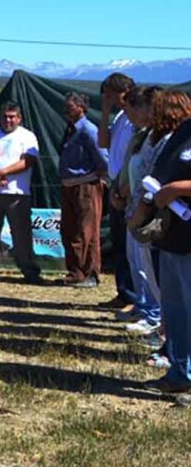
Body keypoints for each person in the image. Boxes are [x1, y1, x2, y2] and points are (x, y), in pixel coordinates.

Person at [140, 91, 191, 400]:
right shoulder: (183, 131)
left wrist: (174, 189)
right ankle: (179, 372)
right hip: (174, 235)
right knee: (176, 309)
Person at [0, 102, 42, 283]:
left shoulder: (27, 136)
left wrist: (3, 172)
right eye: (5, 116)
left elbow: (28, 160)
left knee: (21, 234)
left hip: (17, 193)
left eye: (12, 116)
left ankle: (29, 270)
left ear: (19, 118)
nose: (8, 120)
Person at [120, 86, 164, 339]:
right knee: (139, 264)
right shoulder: (143, 136)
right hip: (133, 207)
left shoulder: (160, 138)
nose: (129, 113)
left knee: (153, 272)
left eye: (133, 108)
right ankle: (148, 311)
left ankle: (156, 317)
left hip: (148, 212)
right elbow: (131, 167)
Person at [100, 73, 141, 310]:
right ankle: (124, 291)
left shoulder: (134, 119)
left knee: (133, 247)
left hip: (127, 186)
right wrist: (105, 112)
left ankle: (136, 297)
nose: (108, 99)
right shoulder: (118, 117)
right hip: (115, 182)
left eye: (109, 95)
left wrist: (123, 187)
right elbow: (103, 142)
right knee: (120, 244)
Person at [59, 92, 108, 288]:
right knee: (69, 230)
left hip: (86, 185)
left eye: (70, 107)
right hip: (68, 185)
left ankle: (91, 273)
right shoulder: (70, 129)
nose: (66, 111)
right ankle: (75, 271)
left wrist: (95, 178)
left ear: (82, 108)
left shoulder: (88, 130)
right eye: (66, 108)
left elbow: (103, 158)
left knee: (87, 231)